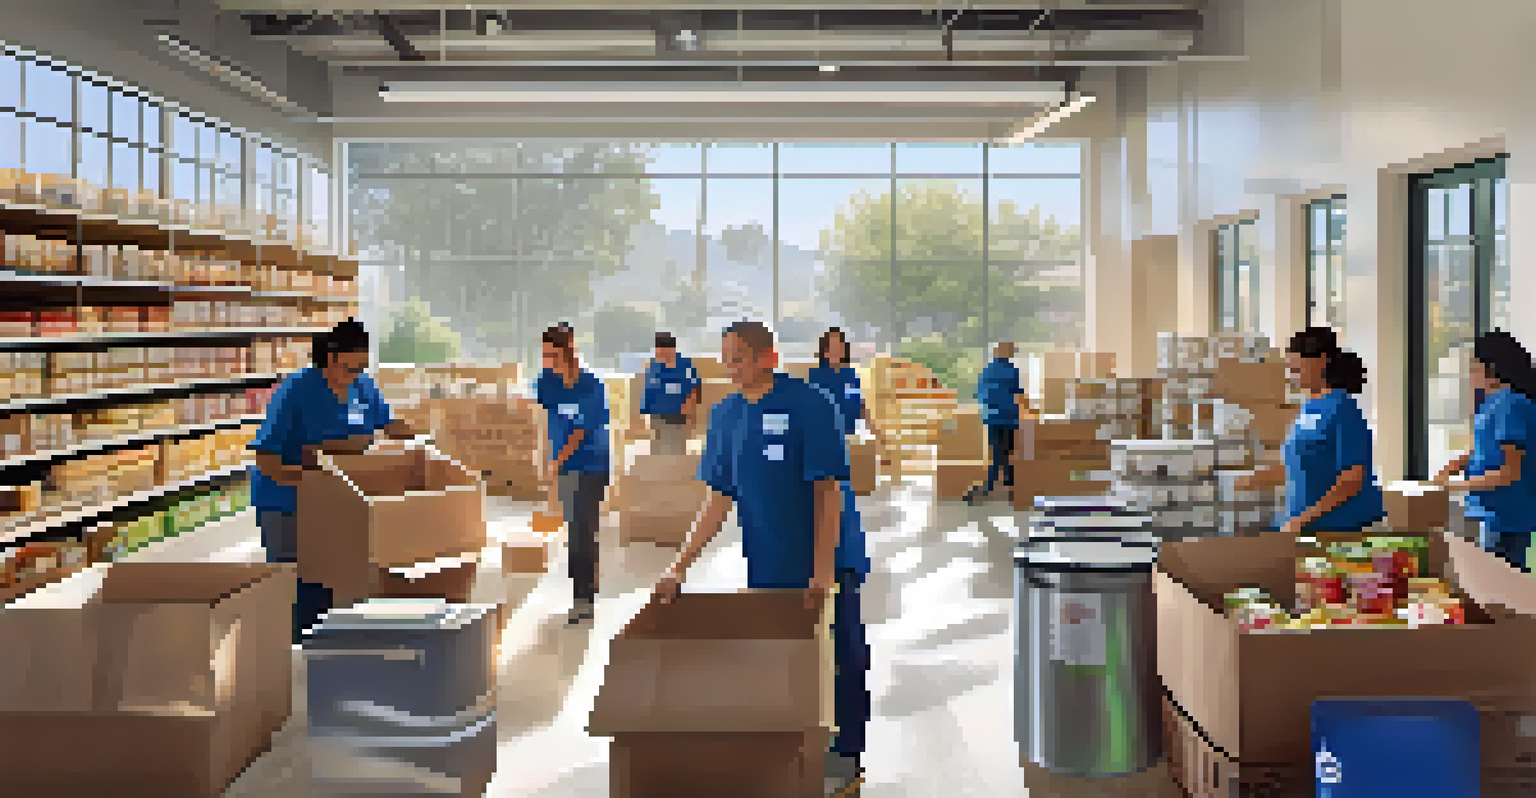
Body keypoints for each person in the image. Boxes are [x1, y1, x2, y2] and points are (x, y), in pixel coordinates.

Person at [653, 320, 857, 788]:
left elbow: (828, 491)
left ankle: (843, 757)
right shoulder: (725, 416)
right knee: (781, 661)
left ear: (768, 357)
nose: (730, 367)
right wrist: (678, 566)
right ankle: (790, 753)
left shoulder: (811, 404)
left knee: (840, 660)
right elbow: (718, 499)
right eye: (726, 358)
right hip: (768, 563)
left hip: (826, 560)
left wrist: (822, 573)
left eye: (739, 358)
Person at [248, 319, 418, 645]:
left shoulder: (362, 385)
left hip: (334, 499)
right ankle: (292, 652)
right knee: (296, 579)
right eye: (348, 367)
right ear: (328, 358)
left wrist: (423, 440)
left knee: (328, 577)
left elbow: (388, 422)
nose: (355, 374)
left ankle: (322, 647)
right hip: (287, 501)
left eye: (361, 366)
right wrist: (307, 480)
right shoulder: (295, 391)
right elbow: (265, 456)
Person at [805, 327, 890, 779]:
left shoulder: (850, 379)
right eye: (831, 344)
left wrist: (880, 437)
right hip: (823, 552)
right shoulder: (813, 383)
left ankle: (849, 745)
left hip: (839, 556)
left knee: (848, 645)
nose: (836, 350)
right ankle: (831, 737)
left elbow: (862, 409)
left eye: (841, 344)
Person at [1238, 327, 1385, 537]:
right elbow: (1301, 464)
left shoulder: (1343, 408)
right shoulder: (1309, 406)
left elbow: (1352, 478)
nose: (1292, 377)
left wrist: (1303, 519)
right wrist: (1250, 479)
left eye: (1298, 369)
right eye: (1290, 369)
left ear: (1322, 360)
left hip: (1341, 527)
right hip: (1306, 525)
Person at [1433, 329, 1536, 571]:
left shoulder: (1509, 405)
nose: (1470, 374)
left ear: (1490, 369)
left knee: (1500, 591)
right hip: (1498, 515)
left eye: (1474, 367)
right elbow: (1491, 447)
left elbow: (1509, 472)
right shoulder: (1497, 404)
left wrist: (1454, 485)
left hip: (1505, 518)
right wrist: (1459, 463)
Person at [534, 325, 612, 625]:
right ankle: (580, 595)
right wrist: (541, 456)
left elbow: (581, 430)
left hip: (592, 463)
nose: (547, 360)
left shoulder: (593, 384)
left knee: (583, 530)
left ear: (569, 350)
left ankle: (585, 599)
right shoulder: (545, 382)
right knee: (573, 530)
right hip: (564, 465)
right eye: (543, 355)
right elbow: (544, 419)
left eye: (553, 354)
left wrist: (556, 462)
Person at [973, 342, 1023, 504]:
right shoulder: (1011, 370)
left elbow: (980, 394)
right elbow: (1017, 392)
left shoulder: (986, 370)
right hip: (1008, 416)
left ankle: (994, 484)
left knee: (997, 451)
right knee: (1007, 452)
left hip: (993, 416)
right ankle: (1006, 486)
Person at [639, 332, 701, 456]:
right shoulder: (653, 366)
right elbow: (648, 390)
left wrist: (690, 416)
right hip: (657, 417)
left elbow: (694, 390)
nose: (659, 354)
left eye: (662, 351)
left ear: (671, 349)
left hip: (678, 417)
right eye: (657, 351)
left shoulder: (686, 366)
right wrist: (645, 414)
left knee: (677, 453)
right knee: (657, 453)